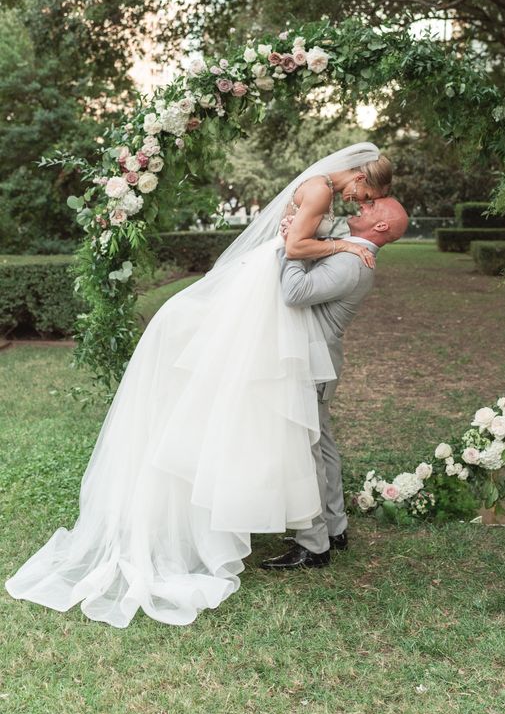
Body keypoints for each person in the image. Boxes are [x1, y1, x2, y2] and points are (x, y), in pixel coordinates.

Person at [5, 143, 392, 628]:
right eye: (365, 193)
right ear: (358, 175)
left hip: (270, 288)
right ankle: (312, 528)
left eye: (367, 201)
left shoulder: (323, 194)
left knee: (296, 425)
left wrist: (336, 242)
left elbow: (296, 247)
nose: (360, 201)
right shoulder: (319, 189)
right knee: (272, 412)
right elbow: (295, 249)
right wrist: (346, 245)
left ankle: (319, 527)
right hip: (268, 286)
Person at [262, 197, 409, 570]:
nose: (363, 205)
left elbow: (294, 293)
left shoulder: (352, 263)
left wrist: (291, 247)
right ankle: (334, 526)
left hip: (311, 364)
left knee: (306, 450)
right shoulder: (349, 251)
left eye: (373, 207)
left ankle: (313, 544)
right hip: (319, 361)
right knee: (322, 444)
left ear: (380, 226)